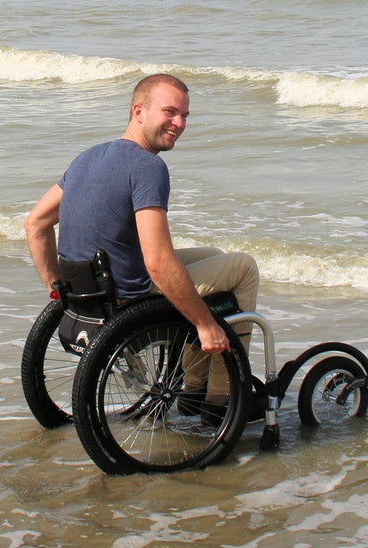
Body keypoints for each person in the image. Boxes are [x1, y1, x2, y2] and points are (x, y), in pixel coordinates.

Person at [24, 73, 259, 412]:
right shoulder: (148, 167)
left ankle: (194, 386)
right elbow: (158, 263)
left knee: (214, 255)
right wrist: (205, 325)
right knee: (244, 267)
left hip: (93, 289)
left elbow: (35, 224)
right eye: (169, 112)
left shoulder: (87, 158)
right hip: (129, 295)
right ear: (138, 111)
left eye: (184, 115)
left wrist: (58, 291)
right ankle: (222, 396)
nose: (179, 124)